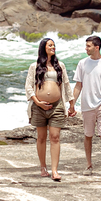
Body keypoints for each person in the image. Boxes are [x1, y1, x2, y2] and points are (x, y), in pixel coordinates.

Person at [25, 37, 75, 181]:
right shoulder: (34, 67)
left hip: (57, 106)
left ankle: (54, 171)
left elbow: (66, 85)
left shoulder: (60, 66)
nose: (53, 47)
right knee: (41, 138)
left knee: (55, 137)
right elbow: (28, 87)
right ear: (43, 48)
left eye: (54, 45)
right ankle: (42, 167)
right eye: (50, 45)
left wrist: (71, 104)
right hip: (38, 107)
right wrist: (38, 102)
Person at [72, 35, 101, 179]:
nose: (86, 48)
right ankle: (88, 165)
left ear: (96, 47)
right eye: (86, 46)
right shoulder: (82, 63)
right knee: (88, 136)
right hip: (86, 105)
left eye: (88, 46)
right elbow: (78, 85)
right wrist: (72, 104)